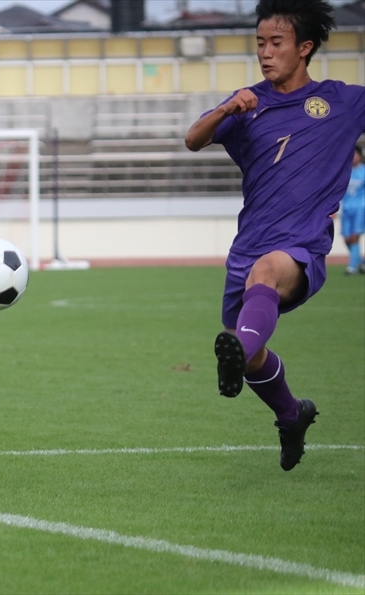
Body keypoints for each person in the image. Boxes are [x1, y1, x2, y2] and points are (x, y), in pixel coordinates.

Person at [185, 0, 365, 471]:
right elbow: (193, 139)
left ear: (304, 48)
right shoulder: (248, 105)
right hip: (249, 243)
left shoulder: (342, 102)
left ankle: (238, 354)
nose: (265, 53)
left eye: (276, 43)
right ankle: (291, 414)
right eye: (260, 43)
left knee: (263, 284)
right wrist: (228, 105)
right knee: (250, 351)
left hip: (301, 245)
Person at [341, 145, 365, 275]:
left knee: (355, 237)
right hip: (346, 209)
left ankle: (351, 267)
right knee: (346, 239)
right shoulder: (345, 172)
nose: (353, 157)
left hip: (360, 209)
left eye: (355, 154)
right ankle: (361, 262)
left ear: (360, 156)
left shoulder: (363, 171)